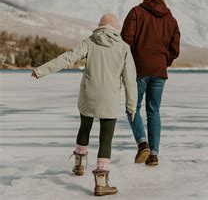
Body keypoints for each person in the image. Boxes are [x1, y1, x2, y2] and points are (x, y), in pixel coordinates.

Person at [32, 13, 137, 197]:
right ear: (116, 28)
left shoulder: (90, 42)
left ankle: (79, 165)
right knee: (106, 140)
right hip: (109, 99)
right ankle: (101, 183)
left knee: (84, 128)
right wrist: (131, 106)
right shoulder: (124, 48)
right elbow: (130, 81)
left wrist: (41, 70)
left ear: (100, 27)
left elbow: (67, 58)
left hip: (89, 95)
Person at [121, 0, 180, 166]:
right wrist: (163, 62)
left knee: (133, 107)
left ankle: (142, 143)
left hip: (139, 70)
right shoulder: (171, 19)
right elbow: (175, 49)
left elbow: (125, 41)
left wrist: (129, 62)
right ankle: (153, 154)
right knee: (154, 111)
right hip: (159, 72)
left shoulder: (136, 12)